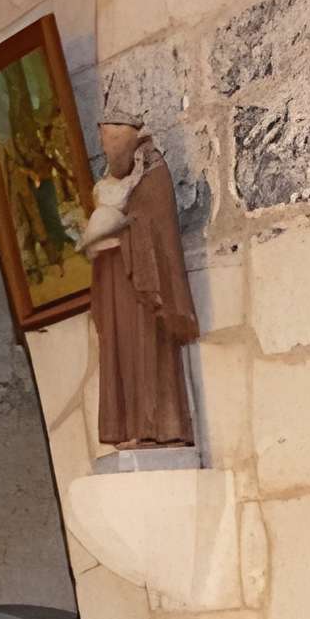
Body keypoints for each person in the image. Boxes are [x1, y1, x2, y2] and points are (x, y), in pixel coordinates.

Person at [73, 121, 198, 448]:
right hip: (114, 276)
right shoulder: (107, 182)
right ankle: (128, 426)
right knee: (118, 347)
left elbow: (158, 227)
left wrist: (122, 234)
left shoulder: (152, 174)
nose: (107, 152)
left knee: (148, 347)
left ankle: (159, 427)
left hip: (143, 279)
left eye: (110, 144)